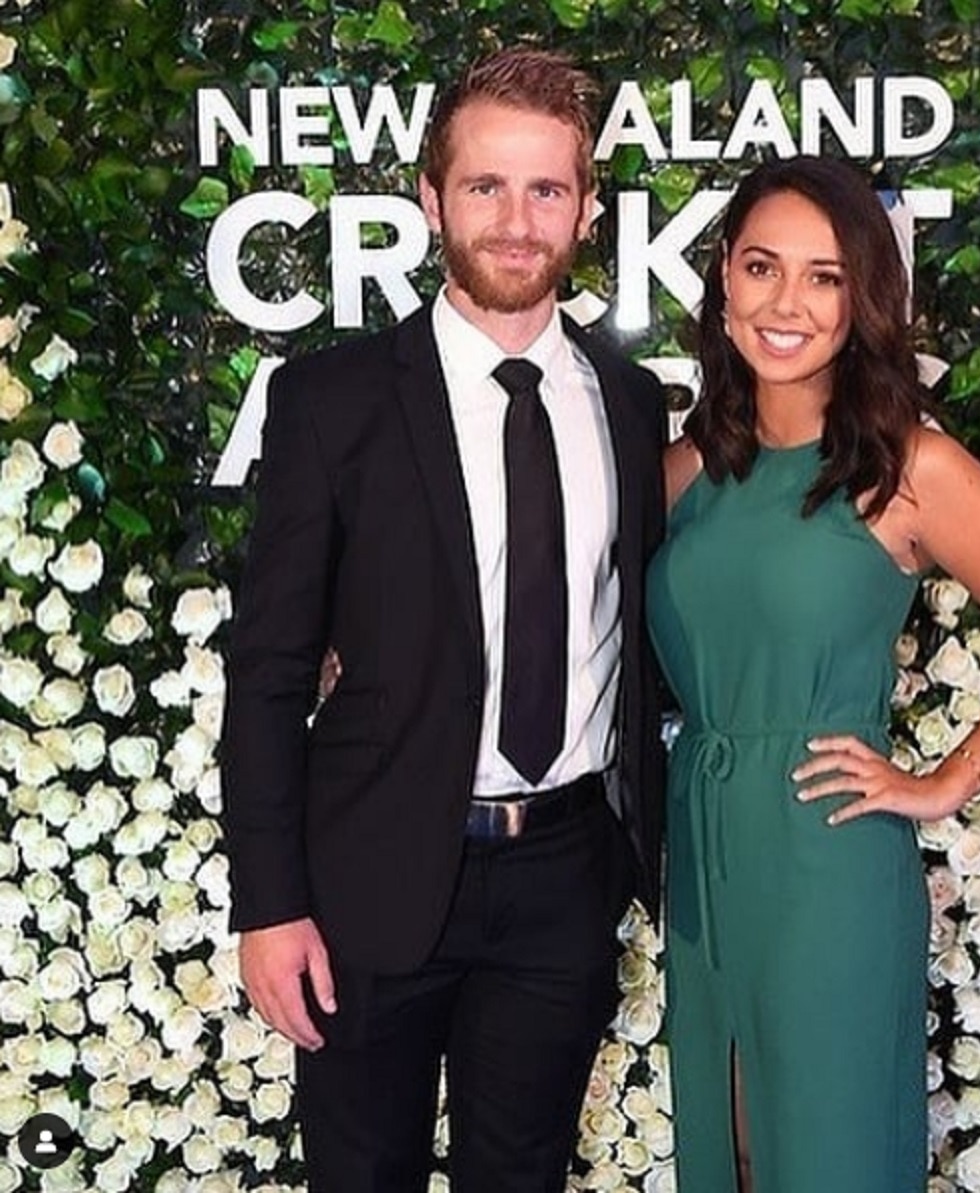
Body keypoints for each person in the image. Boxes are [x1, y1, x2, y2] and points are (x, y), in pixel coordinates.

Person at [220, 48, 666, 1193]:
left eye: (548, 190)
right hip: (370, 873)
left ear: (587, 206)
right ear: (431, 199)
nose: (518, 222)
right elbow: (268, 668)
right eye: (486, 187)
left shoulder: (627, 398)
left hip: (563, 874)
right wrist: (269, 906)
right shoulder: (332, 400)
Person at [646, 156, 980, 1193]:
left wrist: (945, 779)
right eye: (763, 267)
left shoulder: (910, 467)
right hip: (705, 845)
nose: (786, 303)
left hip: (829, 851)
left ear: (864, 297)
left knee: (829, 1148)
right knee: (736, 1150)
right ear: (723, 277)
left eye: (825, 276)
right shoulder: (684, 470)